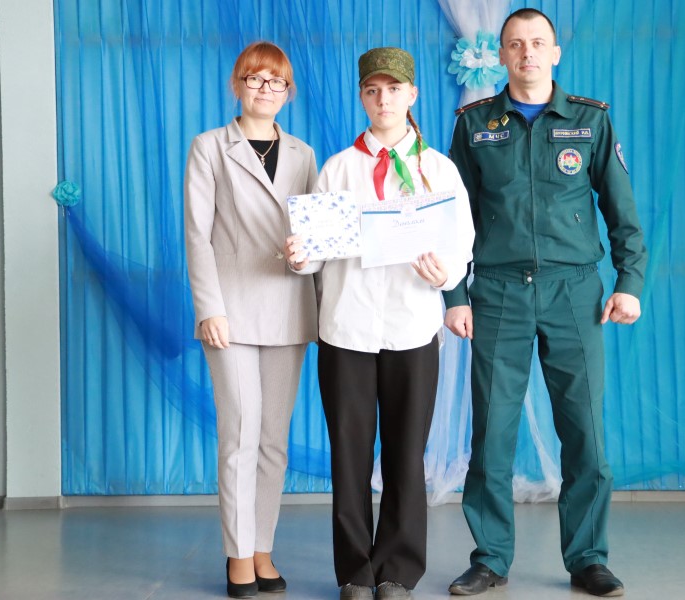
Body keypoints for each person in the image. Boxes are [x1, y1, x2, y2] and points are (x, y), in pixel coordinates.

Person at [443, 8, 648, 598]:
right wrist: (455, 295)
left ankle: (588, 558)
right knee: (492, 435)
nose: (527, 52)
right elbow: (452, 220)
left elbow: (621, 211)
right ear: (501, 54)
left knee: (585, 434)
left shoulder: (589, 120)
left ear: (555, 53)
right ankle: (490, 558)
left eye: (537, 43)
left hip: (573, 291)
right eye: (515, 44)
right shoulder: (474, 125)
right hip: (498, 292)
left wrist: (630, 283)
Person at [284, 47, 475, 600]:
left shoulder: (438, 169)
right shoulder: (339, 168)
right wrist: (300, 257)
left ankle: (397, 570)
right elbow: (316, 252)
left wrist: (445, 274)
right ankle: (354, 572)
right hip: (345, 328)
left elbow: (460, 244)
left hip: (413, 329)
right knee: (348, 453)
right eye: (372, 90)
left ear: (412, 95)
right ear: (362, 98)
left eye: (393, 89)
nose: (383, 99)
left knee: (405, 453)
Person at [183, 41, 318, 599]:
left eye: (276, 81)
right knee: (239, 434)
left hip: (289, 307)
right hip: (231, 312)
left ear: (288, 92)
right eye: (255, 79)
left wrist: (307, 258)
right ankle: (238, 554)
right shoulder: (209, 147)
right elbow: (197, 235)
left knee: (273, 442)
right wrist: (209, 308)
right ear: (237, 85)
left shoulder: (304, 154)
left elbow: (316, 234)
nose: (265, 89)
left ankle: (263, 546)